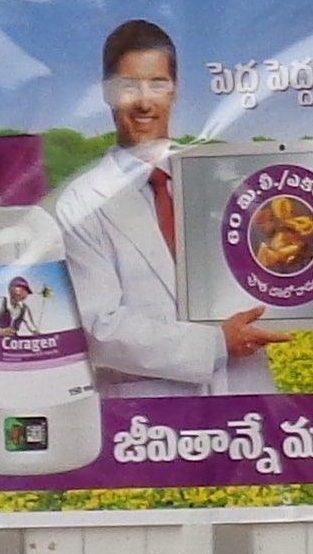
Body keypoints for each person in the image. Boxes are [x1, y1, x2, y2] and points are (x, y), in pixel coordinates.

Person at [56, 20, 275, 399]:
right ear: (107, 94)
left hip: (246, 397)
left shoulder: (223, 179)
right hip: (152, 416)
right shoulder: (82, 202)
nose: (144, 101)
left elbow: (286, 267)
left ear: (174, 91)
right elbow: (99, 327)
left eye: (157, 84)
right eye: (129, 86)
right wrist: (215, 346)